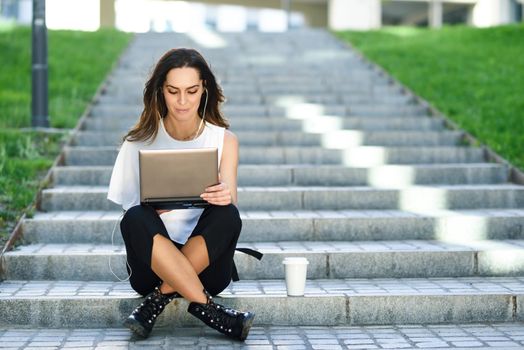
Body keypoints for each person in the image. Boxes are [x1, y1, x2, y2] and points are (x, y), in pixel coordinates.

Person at [107, 48, 257, 341]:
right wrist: (152, 209)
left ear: (204, 90)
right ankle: (210, 311)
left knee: (228, 213)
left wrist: (221, 197)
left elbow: (230, 210)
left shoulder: (225, 140)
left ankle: (157, 300)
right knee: (134, 216)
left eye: (191, 91)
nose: (183, 101)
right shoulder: (137, 142)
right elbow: (132, 219)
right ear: (160, 91)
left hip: (209, 270)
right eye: (173, 91)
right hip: (150, 266)